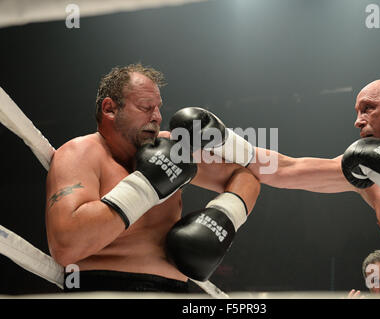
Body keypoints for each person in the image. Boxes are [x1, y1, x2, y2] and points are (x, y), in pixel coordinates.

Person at [172, 78, 380, 292]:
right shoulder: (368, 173)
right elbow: (286, 169)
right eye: (357, 111)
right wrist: (221, 140)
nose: (357, 120)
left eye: (368, 108)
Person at [45, 64, 260, 293]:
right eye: (146, 107)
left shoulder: (173, 149)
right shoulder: (81, 152)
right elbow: (65, 247)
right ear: (109, 108)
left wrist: (225, 215)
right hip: (104, 290)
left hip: (174, 292)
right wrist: (145, 187)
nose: (157, 117)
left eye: (158, 108)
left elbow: (248, 174)